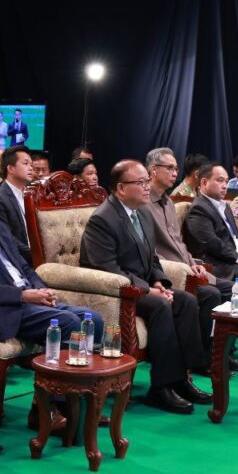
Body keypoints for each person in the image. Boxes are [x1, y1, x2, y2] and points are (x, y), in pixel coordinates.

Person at [80, 160, 211, 413]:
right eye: (140, 182)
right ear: (121, 188)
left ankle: (182, 379)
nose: (146, 187)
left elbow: (152, 258)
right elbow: (107, 268)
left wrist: (159, 281)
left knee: (187, 300)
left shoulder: (142, 212)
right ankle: (161, 388)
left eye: (146, 181)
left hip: (141, 285)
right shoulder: (103, 219)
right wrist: (148, 290)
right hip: (115, 291)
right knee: (161, 306)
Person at [0, 159, 103, 345]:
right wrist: (21, 295)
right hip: (2, 308)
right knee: (68, 322)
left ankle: (85, 364)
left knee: (93, 319)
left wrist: (40, 289)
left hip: (27, 297)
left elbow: (23, 266)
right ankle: (58, 365)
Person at [143, 147, 233, 364]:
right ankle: (201, 357)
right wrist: (184, 267)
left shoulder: (168, 202)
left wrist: (194, 262)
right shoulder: (143, 203)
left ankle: (219, 353)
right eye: (170, 168)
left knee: (231, 289)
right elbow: (149, 250)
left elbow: (179, 243)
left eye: (176, 168)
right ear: (153, 170)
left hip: (187, 266)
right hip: (169, 271)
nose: (175, 173)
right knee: (211, 294)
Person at [183, 162, 238, 298]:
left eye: (226, 181)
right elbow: (211, 243)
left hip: (236, 261)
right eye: (220, 180)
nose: (225, 186)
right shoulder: (199, 209)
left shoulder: (225, 207)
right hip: (220, 265)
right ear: (204, 183)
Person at [0, 145, 34, 264]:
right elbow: (7, 238)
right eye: (25, 163)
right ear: (11, 168)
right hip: (17, 261)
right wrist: (36, 255)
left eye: (31, 164)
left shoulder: (32, 195)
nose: (31, 168)